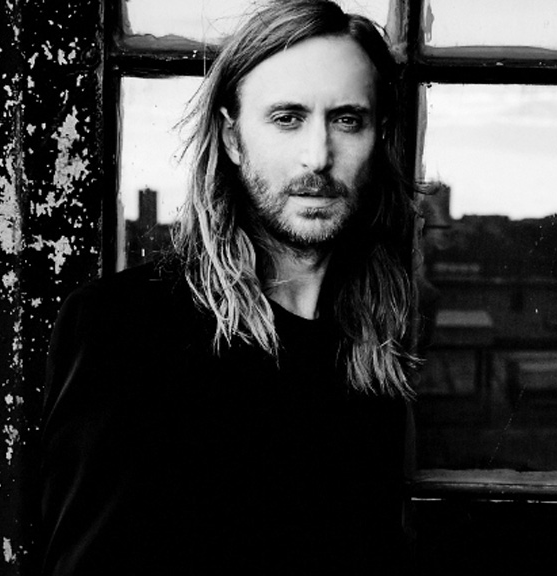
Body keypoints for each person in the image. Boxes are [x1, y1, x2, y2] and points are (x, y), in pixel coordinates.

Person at [37, 1, 419, 573]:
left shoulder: (374, 343)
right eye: (287, 118)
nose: (317, 156)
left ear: (377, 137)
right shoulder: (128, 328)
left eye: (347, 120)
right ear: (233, 139)